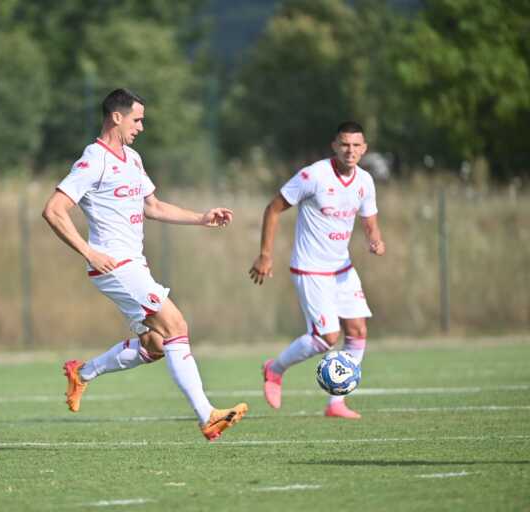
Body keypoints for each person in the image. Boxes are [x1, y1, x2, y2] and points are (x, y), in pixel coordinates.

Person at [42, 88, 247, 440]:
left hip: (134, 265)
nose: (141, 127)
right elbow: (54, 210)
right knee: (176, 324)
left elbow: (153, 207)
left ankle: (83, 373)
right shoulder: (93, 160)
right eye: (137, 120)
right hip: (115, 266)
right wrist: (89, 252)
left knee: (155, 345)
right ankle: (207, 416)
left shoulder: (133, 159)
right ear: (116, 117)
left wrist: (201, 218)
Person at [249, 121, 385, 419]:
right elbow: (273, 208)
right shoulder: (313, 176)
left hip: (342, 269)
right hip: (310, 269)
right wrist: (265, 255)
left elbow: (370, 221)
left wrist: (375, 239)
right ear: (334, 146)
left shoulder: (365, 181)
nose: (350, 150)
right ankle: (275, 369)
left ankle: (336, 403)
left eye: (356, 145)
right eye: (344, 144)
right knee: (327, 337)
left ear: (364, 149)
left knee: (358, 331)